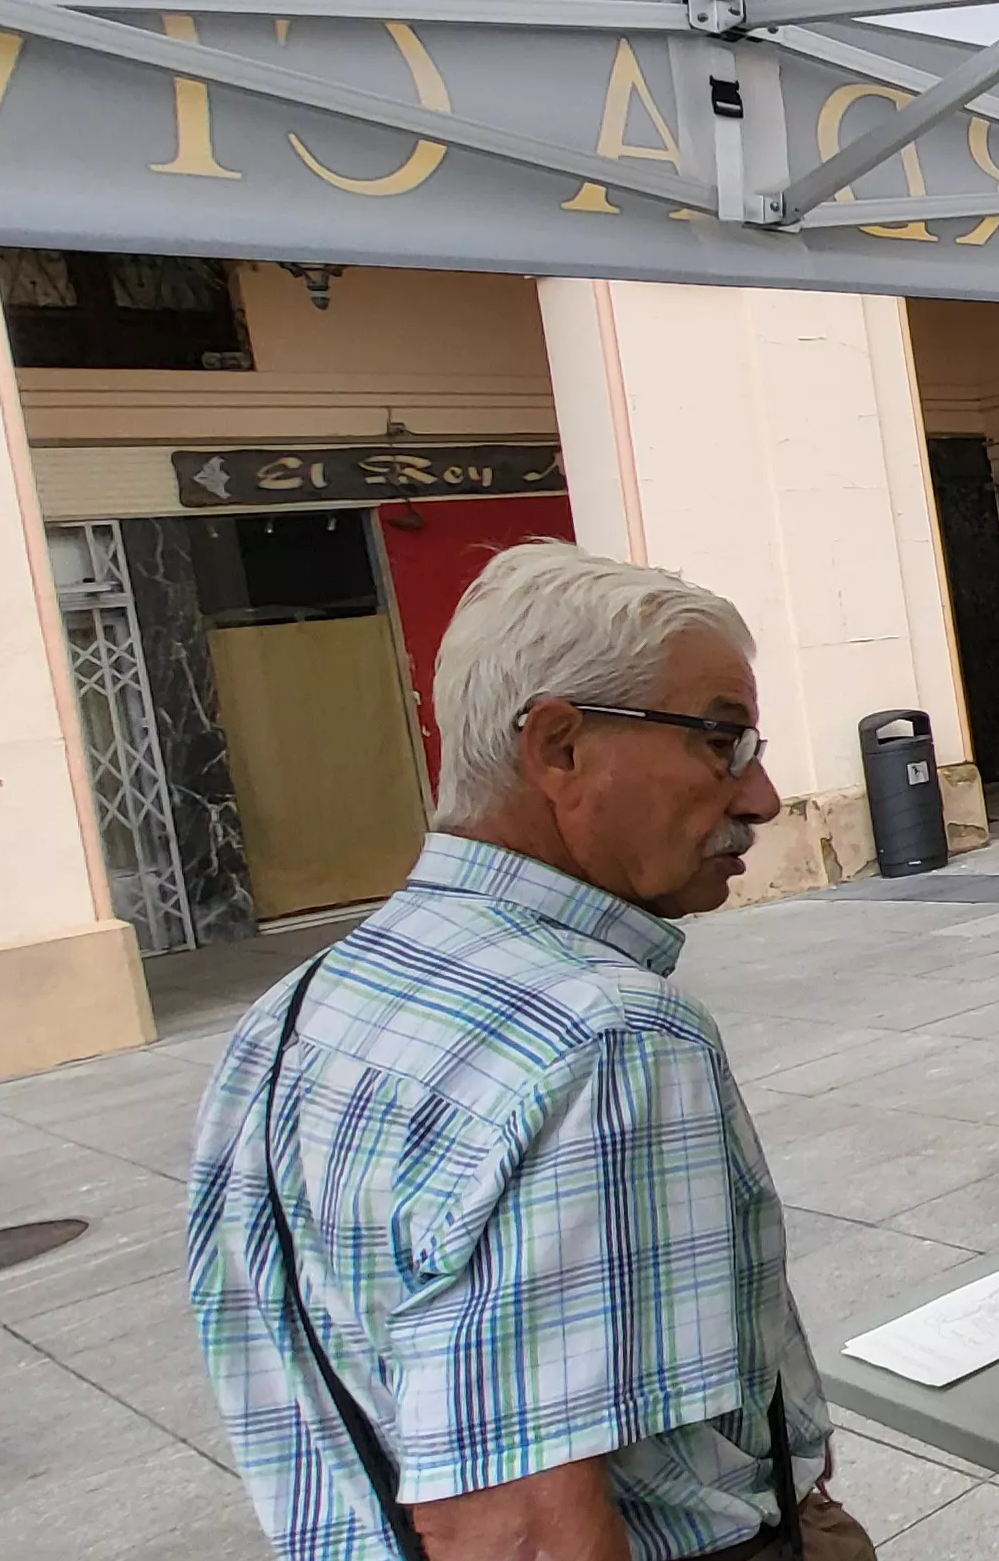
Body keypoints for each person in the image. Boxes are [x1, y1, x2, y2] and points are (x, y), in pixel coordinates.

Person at [189, 542, 876, 1561]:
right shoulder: (607, 1035)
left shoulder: (299, 1012)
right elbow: (515, 1528)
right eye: (721, 741)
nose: (761, 797)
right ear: (558, 746)